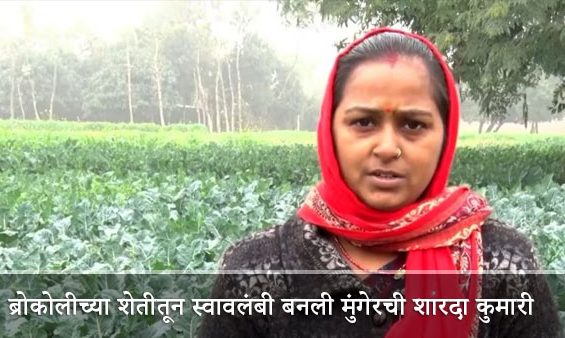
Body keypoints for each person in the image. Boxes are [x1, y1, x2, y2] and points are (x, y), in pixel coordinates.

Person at [198, 27, 563, 338]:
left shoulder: (506, 266)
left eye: (413, 125)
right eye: (364, 122)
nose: (388, 148)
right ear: (330, 130)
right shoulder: (255, 271)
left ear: (445, 135)